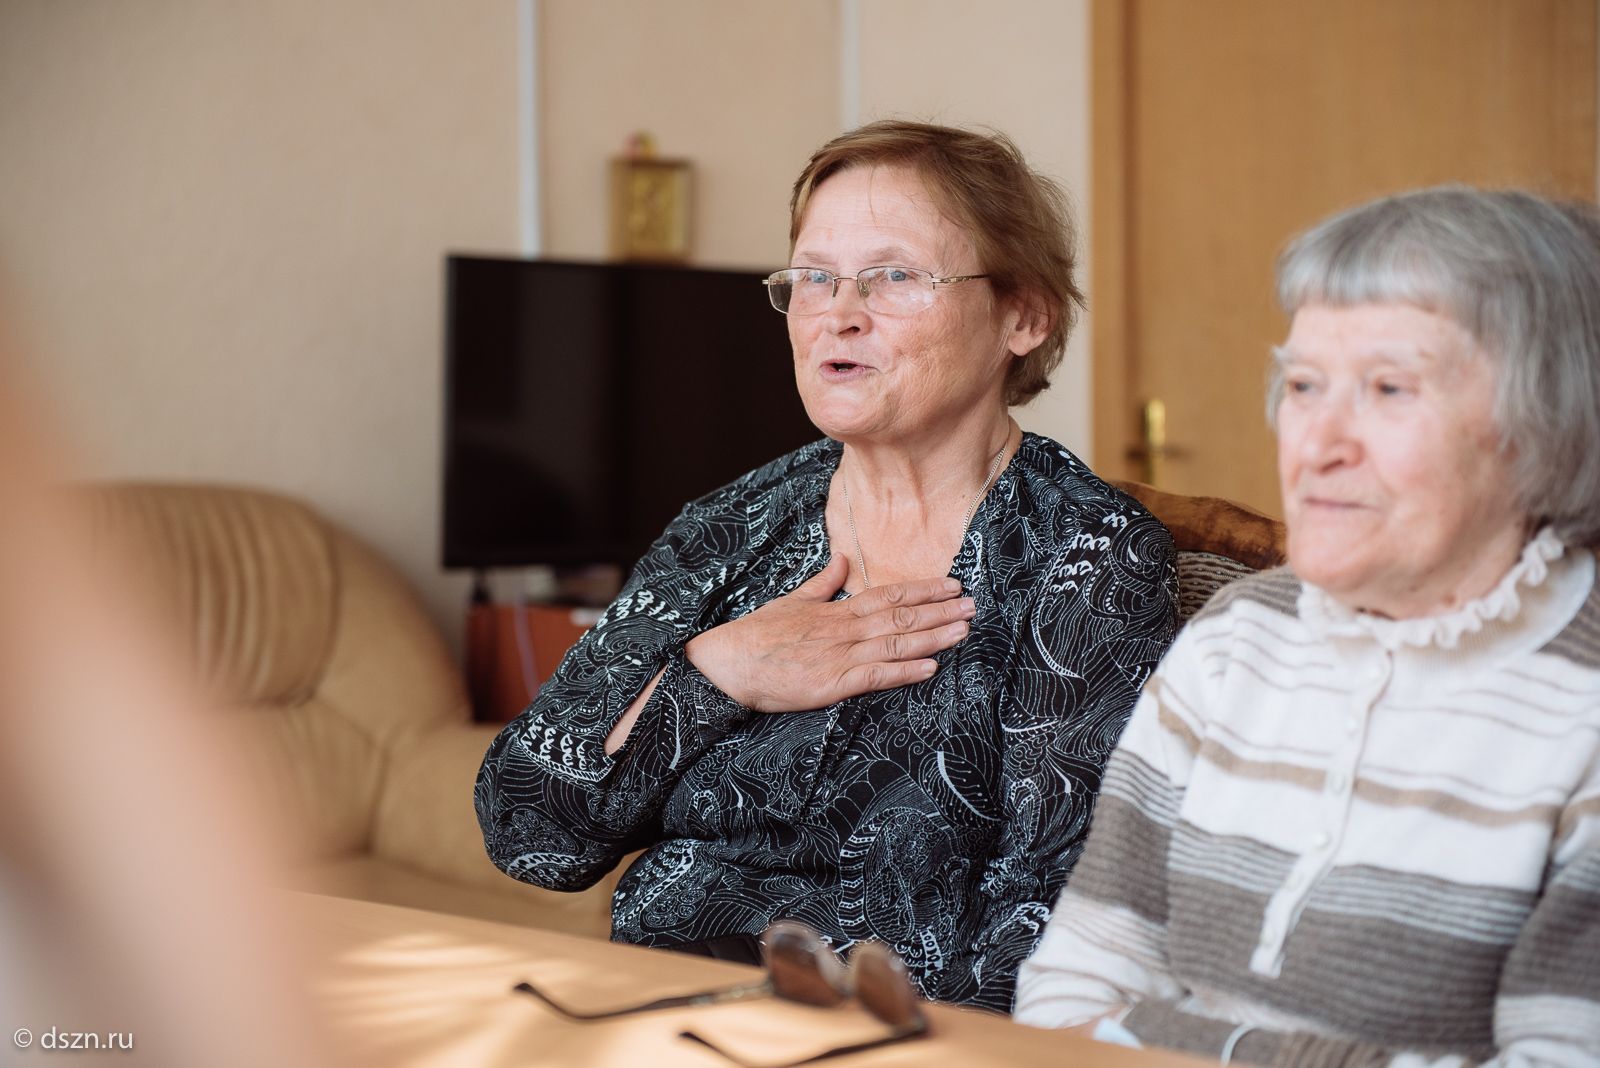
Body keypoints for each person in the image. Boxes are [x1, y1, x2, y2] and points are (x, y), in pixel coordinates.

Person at [476, 120, 1178, 1011]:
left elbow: (1055, 920)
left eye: (894, 275)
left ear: (1023, 315)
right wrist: (716, 674)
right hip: (652, 1004)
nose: (839, 313)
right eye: (814, 277)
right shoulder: (730, 530)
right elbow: (527, 827)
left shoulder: (1088, 555)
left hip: (887, 1032)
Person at [1014, 187, 1600, 1063]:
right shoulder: (1239, 638)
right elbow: (1073, 988)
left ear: (1545, 424)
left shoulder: (1582, 704)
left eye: (1389, 389)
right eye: (1303, 385)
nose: (1318, 441)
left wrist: (1176, 1038)